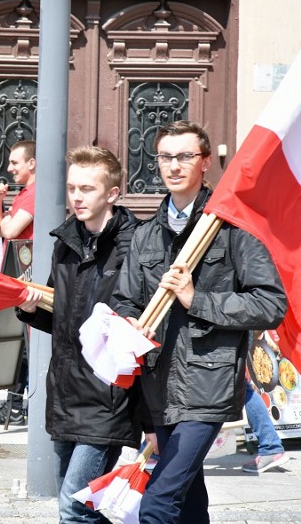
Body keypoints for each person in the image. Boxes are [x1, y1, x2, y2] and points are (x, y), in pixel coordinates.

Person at [112, 120, 287, 524]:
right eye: (166, 157)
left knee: (158, 503)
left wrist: (197, 299)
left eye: (185, 156)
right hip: (158, 387)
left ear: (205, 161)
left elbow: (269, 304)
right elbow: (125, 299)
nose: (173, 166)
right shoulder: (145, 235)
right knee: (189, 502)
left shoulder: (232, 229)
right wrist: (130, 322)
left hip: (207, 385)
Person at [16, 146, 142, 523]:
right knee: (90, 508)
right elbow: (61, 322)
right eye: (72, 188)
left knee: (74, 508)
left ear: (112, 193)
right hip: (66, 393)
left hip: (108, 398)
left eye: (87, 189)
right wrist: (30, 309)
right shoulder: (66, 243)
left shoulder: (134, 245)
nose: (77, 197)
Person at [0, 140, 36, 425]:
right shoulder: (24, 193)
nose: (10, 168)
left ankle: (18, 405)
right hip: (16, 276)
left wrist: (5, 219)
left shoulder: (34, 193)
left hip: (27, 279)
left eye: (15, 162)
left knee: (24, 347)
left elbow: (10, 230)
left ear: (32, 163)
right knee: (18, 346)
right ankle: (14, 404)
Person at [242, 332, 287, 473]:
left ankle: (270, 447)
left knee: (240, 387)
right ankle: (270, 446)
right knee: (239, 387)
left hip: (227, 334)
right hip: (231, 331)